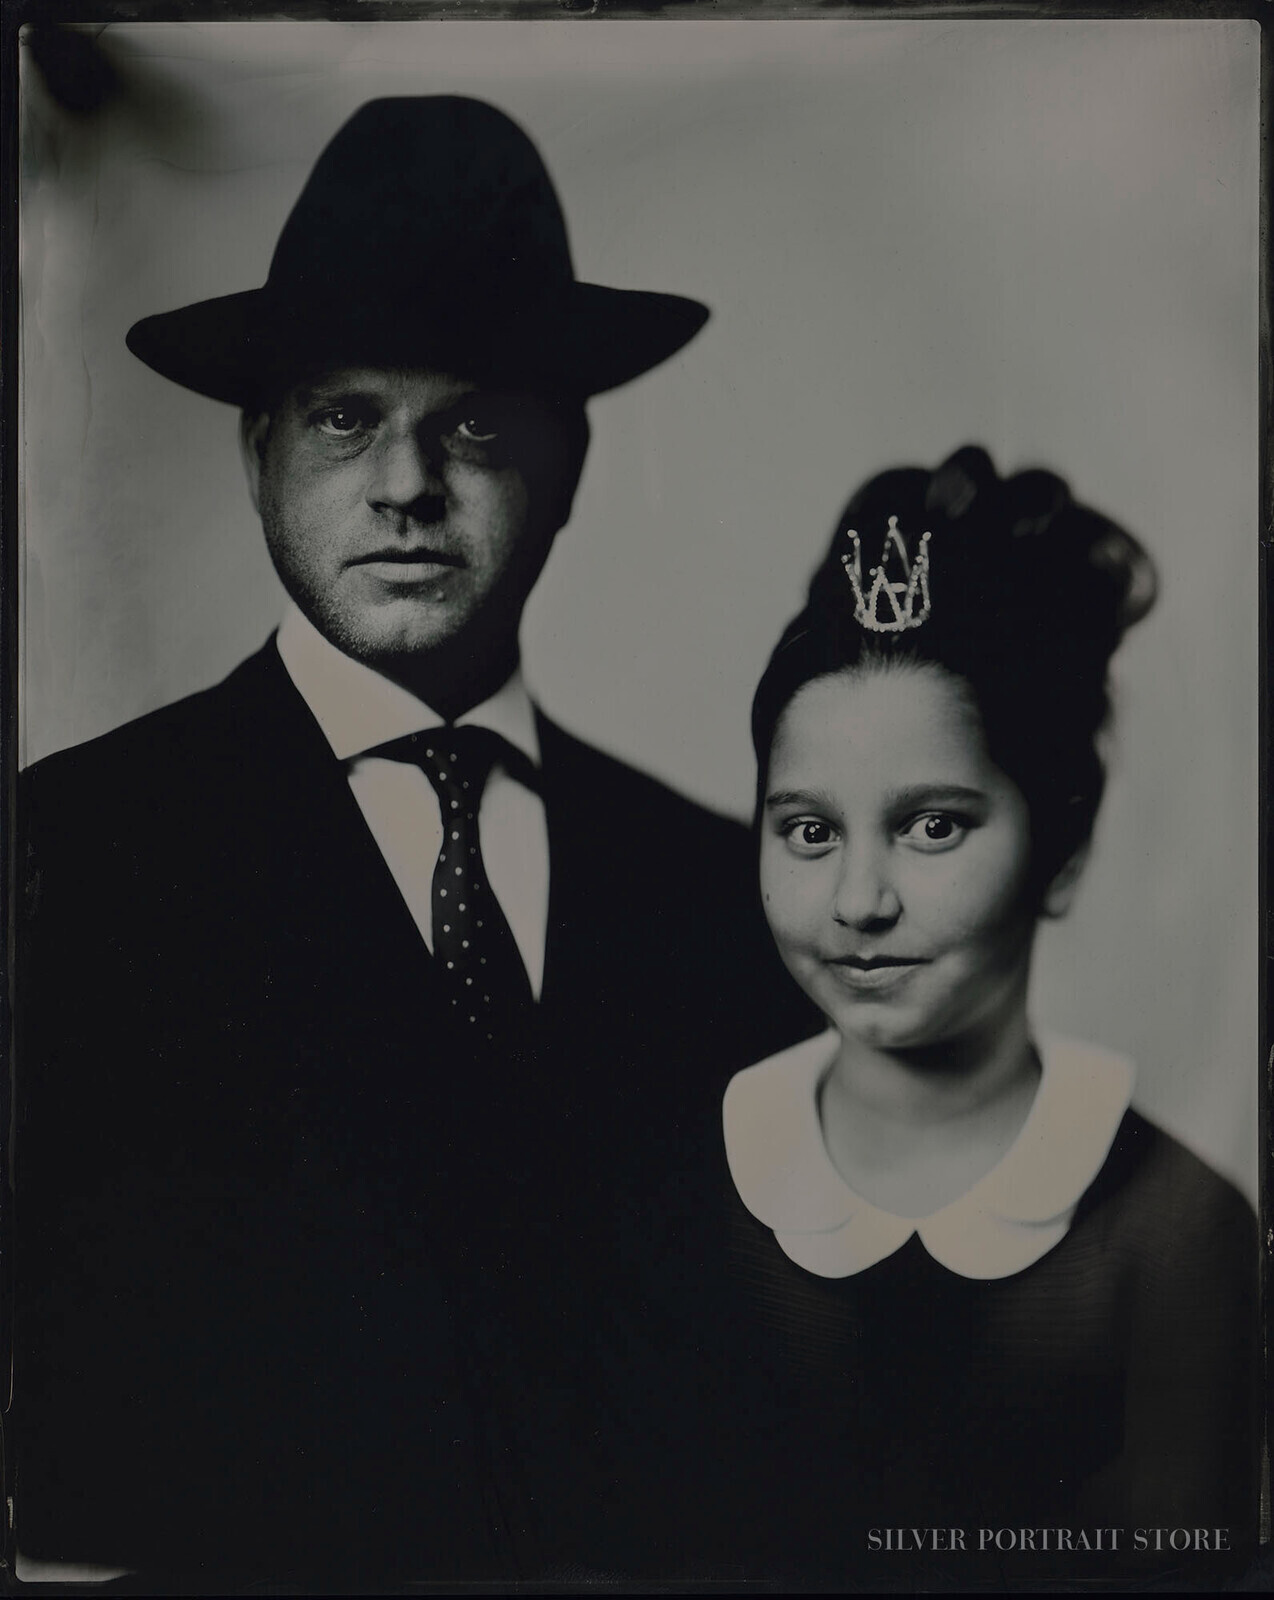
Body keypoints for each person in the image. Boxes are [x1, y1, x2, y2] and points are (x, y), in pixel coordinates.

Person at [14, 96, 814, 1585]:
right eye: (343, 418)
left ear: (564, 468)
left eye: (471, 422)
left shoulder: (719, 893)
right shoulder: (71, 856)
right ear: (257, 459)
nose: (404, 485)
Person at [699, 446, 1258, 1585]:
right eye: (807, 830)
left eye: (932, 826)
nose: (859, 900)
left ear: (1061, 848)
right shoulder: (688, 1180)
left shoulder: (1173, 1234)